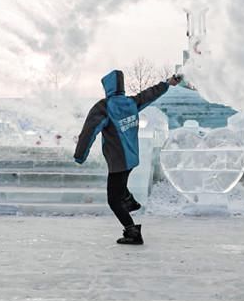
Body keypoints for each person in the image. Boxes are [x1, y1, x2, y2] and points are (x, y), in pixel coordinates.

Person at [74, 69, 181, 245]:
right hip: (131, 158)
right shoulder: (131, 102)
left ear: (107, 87)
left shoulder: (104, 107)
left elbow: (88, 132)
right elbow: (149, 94)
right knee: (120, 186)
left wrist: (80, 156)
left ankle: (132, 232)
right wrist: (167, 83)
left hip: (117, 161)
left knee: (113, 200)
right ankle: (130, 202)